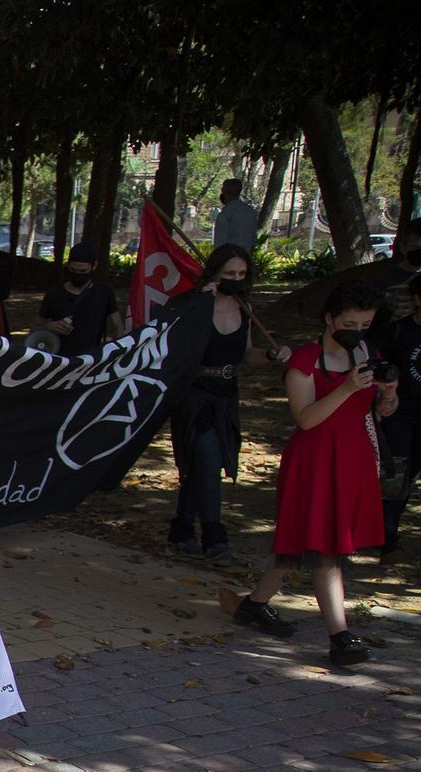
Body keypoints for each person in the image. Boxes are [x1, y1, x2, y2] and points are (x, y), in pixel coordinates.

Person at [234, 281, 398, 666]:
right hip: (314, 460)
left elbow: (380, 411)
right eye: (350, 321)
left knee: (296, 544)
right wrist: (345, 387)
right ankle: (340, 636)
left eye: (365, 323)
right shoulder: (305, 360)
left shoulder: (366, 351)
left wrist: (388, 394)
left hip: (354, 459)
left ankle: (254, 605)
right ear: (329, 319)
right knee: (326, 549)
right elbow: (306, 419)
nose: (357, 330)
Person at [161, 245, 291, 560]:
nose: (235, 279)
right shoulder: (194, 304)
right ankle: (214, 535)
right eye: (229, 274)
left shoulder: (243, 306)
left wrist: (272, 355)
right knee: (207, 458)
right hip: (194, 394)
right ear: (214, 273)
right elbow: (170, 340)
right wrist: (199, 303)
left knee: (203, 463)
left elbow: (247, 354)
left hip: (225, 393)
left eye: (241, 274)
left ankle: (181, 528)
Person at [373, 273, 421, 556]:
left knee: (411, 472)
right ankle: (385, 528)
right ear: (416, 298)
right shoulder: (398, 331)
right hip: (400, 413)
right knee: (394, 472)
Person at [36, 246, 122, 355]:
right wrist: (50, 326)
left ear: (94, 266)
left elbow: (118, 326)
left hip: (91, 360)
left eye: (83, 271)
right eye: (73, 270)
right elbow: (37, 327)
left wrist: (115, 351)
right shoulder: (54, 294)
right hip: (60, 360)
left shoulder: (104, 292)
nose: (78, 275)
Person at [212, 178, 259, 254]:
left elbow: (220, 242)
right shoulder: (251, 212)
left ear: (225, 191)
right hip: (245, 257)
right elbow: (253, 240)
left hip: (228, 257)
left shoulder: (226, 214)